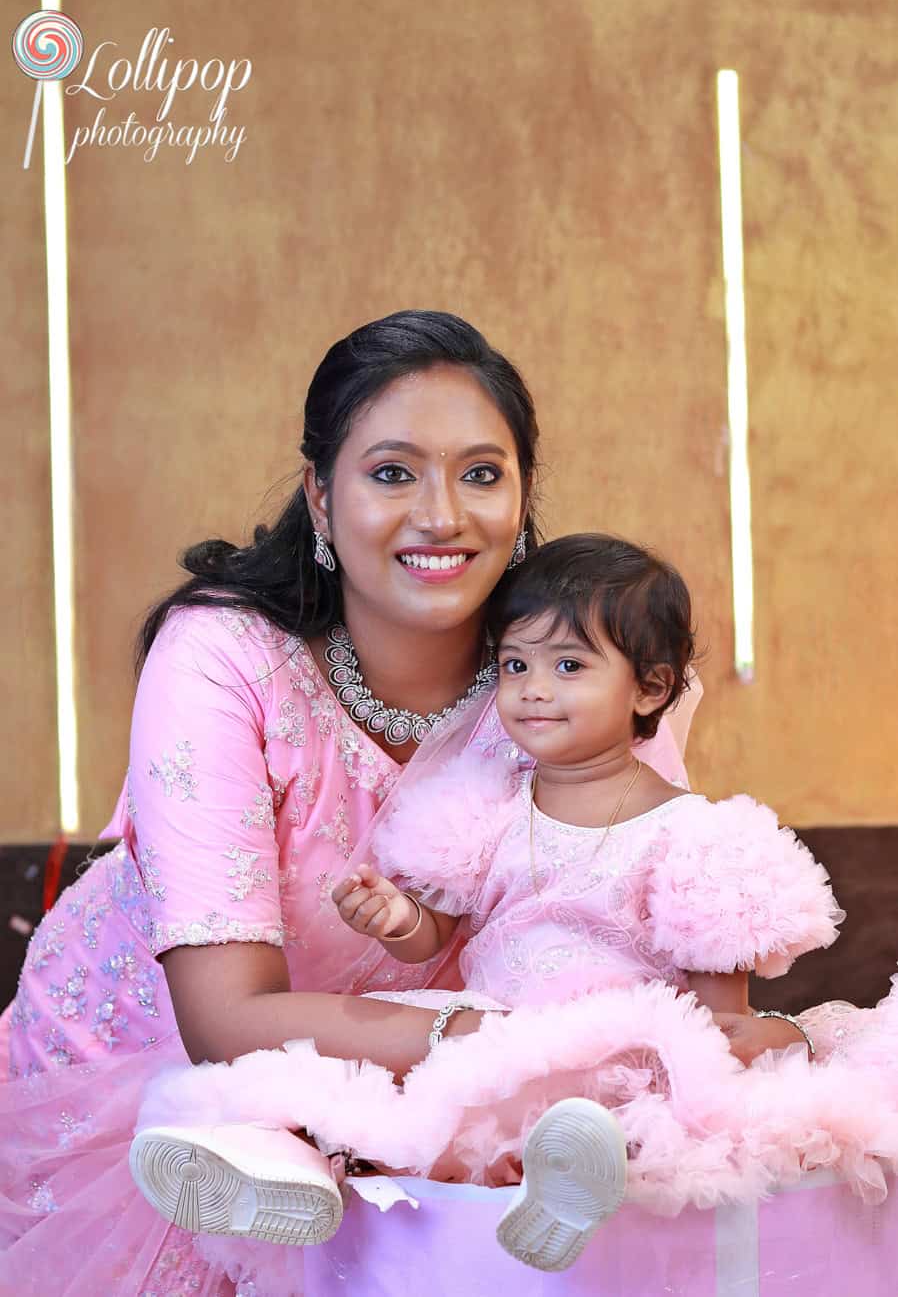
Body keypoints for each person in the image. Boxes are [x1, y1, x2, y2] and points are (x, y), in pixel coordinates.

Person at [1, 312, 797, 1297]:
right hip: (175, 1084)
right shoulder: (222, 659)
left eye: (480, 472)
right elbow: (221, 1017)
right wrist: (477, 1040)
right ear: (319, 500)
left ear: (520, 497)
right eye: (390, 473)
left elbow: (633, 932)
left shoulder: (571, 682)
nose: (441, 515)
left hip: (480, 1089)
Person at [135, 534, 898, 1287]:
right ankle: (282, 1164)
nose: (534, 688)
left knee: (598, 1090)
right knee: (369, 1062)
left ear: (651, 688)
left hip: (612, 1048)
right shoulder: (491, 808)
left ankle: (565, 1179)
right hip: (493, 1023)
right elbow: (438, 930)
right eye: (514, 665)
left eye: (569, 666)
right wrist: (399, 921)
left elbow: (714, 1021)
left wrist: (730, 1050)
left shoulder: (698, 838)